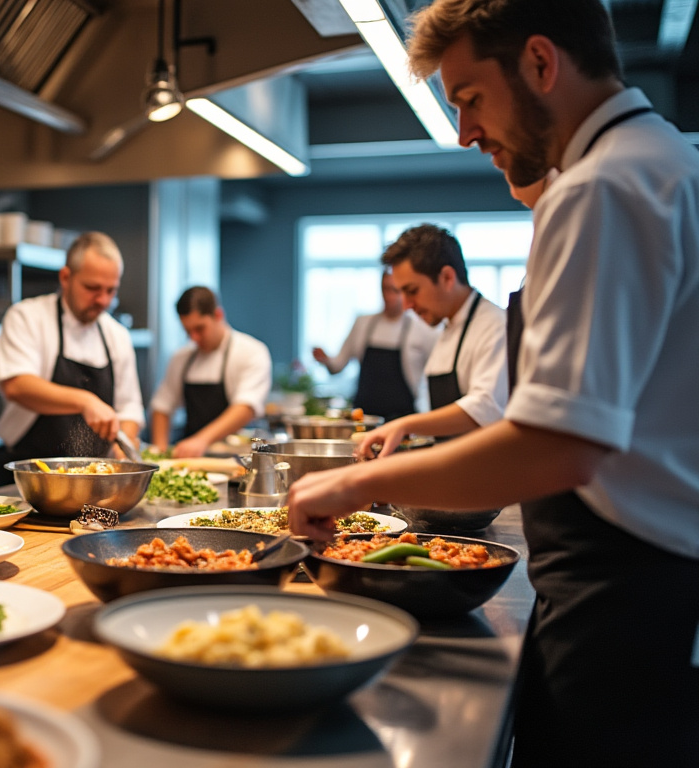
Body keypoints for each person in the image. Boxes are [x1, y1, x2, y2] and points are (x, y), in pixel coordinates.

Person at [287, 1, 699, 764]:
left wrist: (346, 490)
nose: (464, 132)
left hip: (621, 584)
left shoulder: (601, 187)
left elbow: (558, 443)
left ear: (542, 63)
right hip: (654, 577)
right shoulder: (667, 157)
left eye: (470, 98)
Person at [354, 224, 508, 458]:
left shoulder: (494, 325)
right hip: (455, 469)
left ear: (447, 277)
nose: (406, 305)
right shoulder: (447, 328)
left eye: (412, 290)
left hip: (488, 478)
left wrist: (407, 425)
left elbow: (486, 407)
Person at [0, 232, 145, 459]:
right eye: (93, 288)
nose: (103, 300)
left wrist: (124, 442)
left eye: (111, 290)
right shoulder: (27, 316)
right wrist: (85, 401)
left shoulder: (117, 335)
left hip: (96, 476)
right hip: (31, 469)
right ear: (65, 277)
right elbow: (17, 385)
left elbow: (129, 408)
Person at [149, 286, 271, 458]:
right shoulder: (182, 358)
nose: (194, 338)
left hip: (240, 457)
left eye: (199, 329)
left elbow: (245, 407)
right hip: (192, 458)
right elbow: (162, 406)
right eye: (188, 331)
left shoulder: (251, 351)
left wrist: (201, 440)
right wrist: (159, 450)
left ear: (218, 315)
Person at [312, 271, 440, 422]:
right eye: (385, 289)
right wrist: (326, 360)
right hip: (365, 419)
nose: (389, 296)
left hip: (404, 420)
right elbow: (337, 366)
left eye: (395, 290)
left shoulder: (422, 328)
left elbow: (435, 378)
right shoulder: (363, 323)